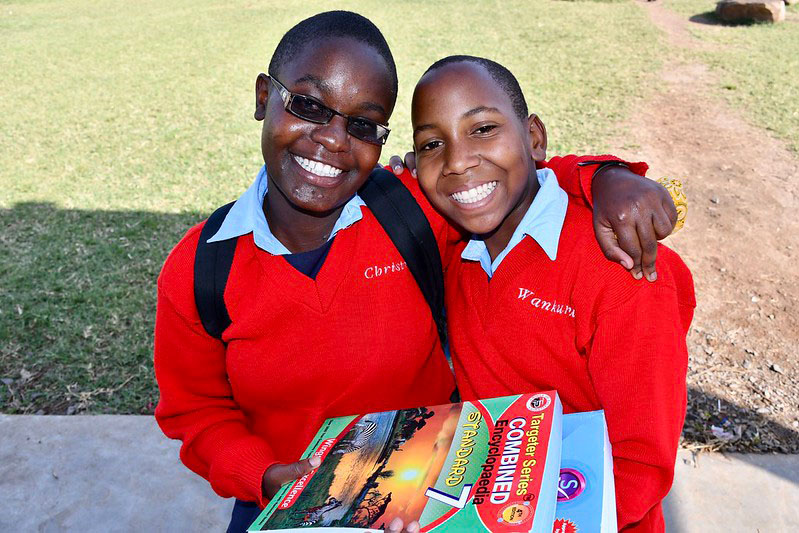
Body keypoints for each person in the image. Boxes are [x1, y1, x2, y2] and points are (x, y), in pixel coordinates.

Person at [153, 12, 678, 533]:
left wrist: (606, 177)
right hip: (281, 506)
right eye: (309, 106)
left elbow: (507, 180)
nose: (334, 140)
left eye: (362, 124)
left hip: (436, 506)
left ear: (381, 140)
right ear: (265, 96)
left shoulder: (414, 213)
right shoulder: (202, 268)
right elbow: (196, 413)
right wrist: (265, 477)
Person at [410, 55, 695, 532]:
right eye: (432, 144)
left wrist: (607, 175)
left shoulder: (624, 272)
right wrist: (600, 173)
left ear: (534, 137)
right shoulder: (450, 239)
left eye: (482, 128)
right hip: (487, 508)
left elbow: (640, 465)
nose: (457, 161)